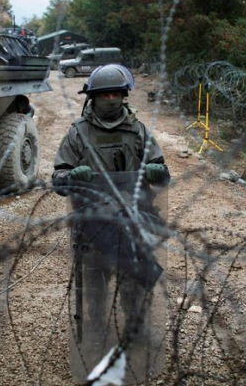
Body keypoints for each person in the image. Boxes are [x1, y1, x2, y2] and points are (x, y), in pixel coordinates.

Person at [53, 64, 169, 363]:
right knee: (94, 282)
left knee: (136, 279)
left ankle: (136, 329)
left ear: (125, 95)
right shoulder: (78, 134)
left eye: (116, 93)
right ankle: (95, 330)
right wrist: (71, 175)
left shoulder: (138, 131)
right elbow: (58, 179)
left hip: (133, 217)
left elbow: (160, 172)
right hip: (93, 222)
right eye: (104, 94)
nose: (111, 99)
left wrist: (159, 171)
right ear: (92, 97)